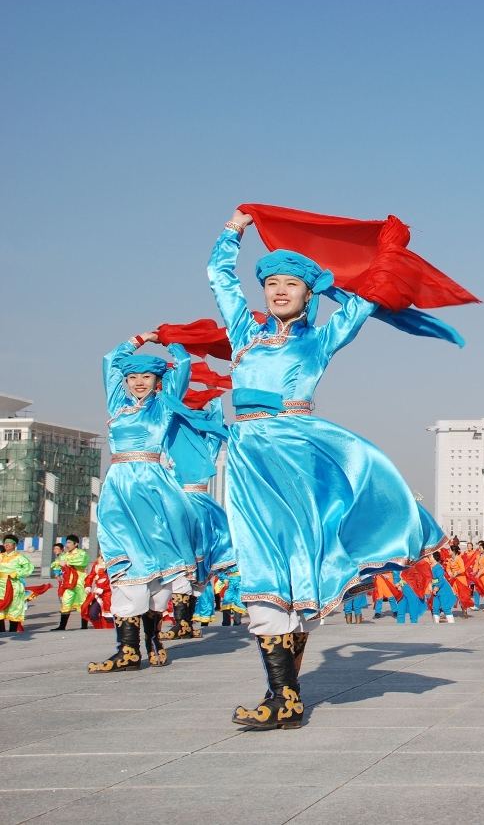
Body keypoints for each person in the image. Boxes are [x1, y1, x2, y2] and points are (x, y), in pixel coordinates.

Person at [210, 212, 449, 729]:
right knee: (263, 563)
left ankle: (284, 697)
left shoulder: (317, 340)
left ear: (306, 294)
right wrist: (234, 230)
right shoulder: (243, 334)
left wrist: (387, 252)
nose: (278, 291)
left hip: (295, 453)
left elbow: (364, 300)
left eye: (290, 284)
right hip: (249, 456)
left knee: (292, 560)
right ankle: (285, 696)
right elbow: (219, 277)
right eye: (271, 283)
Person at [91, 336, 198, 673]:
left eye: (146, 377)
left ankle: (151, 640)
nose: (138, 383)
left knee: (155, 560)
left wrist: (171, 343)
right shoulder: (116, 405)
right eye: (133, 377)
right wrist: (139, 340)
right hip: (119, 486)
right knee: (124, 557)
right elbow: (110, 359)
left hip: (152, 486)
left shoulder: (164, 405)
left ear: (157, 381)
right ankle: (128, 649)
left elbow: (182, 367)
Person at [163, 394, 233, 641]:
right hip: (180, 504)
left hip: (192, 505)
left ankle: (183, 622)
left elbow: (216, 422)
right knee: (187, 567)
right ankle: (186, 622)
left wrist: (214, 395)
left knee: (187, 564)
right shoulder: (170, 442)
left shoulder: (207, 444)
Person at [51, 536, 91, 631]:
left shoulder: (82, 553)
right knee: (66, 600)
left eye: (69, 543)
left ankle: (84, 625)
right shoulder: (66, 555)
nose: (67, 545)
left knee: (83, 601)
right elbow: (54, 563)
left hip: (80, 579)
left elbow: (82, 562)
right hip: (69, 580)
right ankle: (62, 626)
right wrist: (60, 563)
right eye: (67, 543)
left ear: (76, 544)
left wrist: (67, 563)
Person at [0, 535, 35, 632]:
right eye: (5, 542)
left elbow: (29, 568)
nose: (7, 544)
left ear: (15, 545)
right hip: (1, 586)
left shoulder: (20, 557)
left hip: (14, 585)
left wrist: (17, 574)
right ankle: (1, 631)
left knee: (14, 607)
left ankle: (13, 631)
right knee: (0, 608)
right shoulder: (1, 556)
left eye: (9, 543)